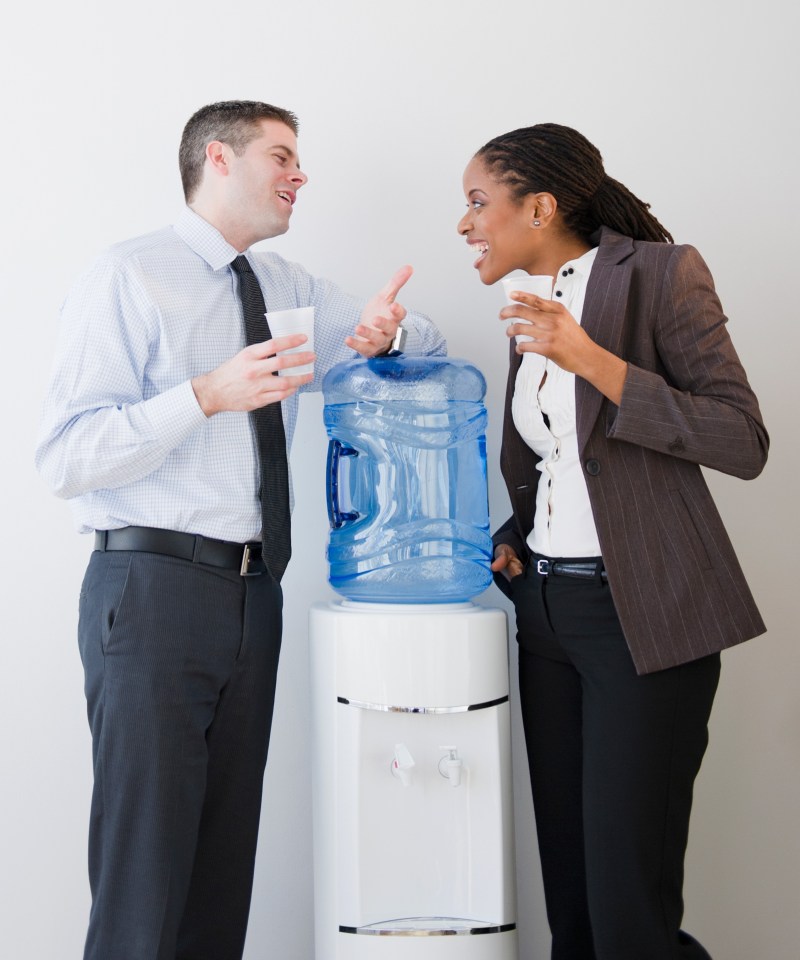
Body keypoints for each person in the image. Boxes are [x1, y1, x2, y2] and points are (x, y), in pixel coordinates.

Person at [35, 99, 445, 960]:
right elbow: (65, 457)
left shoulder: (288, 287)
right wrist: (204, 396)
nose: (301, 175)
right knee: (144, 873)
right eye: (282, 155)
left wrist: (387, 331)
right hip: (151, 593)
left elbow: (422, 340)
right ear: (218, 159)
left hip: (256, 593)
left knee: (223, 874)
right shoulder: (129, 275)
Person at [457, 123, 767, 960]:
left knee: (629, 908)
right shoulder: (530, 304)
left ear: (542, 205)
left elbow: (743, 440)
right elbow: (567, 460)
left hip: (645, 618)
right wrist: (516, 538)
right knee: (576, 902)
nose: (465, 225)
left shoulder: (662, 276)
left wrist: (595, 360)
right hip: (549, 611)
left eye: (479, 203)